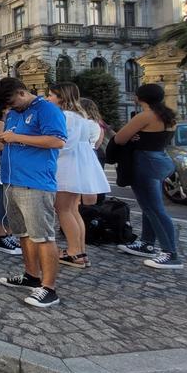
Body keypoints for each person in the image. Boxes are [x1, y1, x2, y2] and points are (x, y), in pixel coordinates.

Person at [0, 77, 67, 308]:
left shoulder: (47, 109)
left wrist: (16, 138)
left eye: (12, 102)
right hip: (12, 181)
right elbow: (14, 139)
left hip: (35, 183)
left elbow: (57, 141)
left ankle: (49, 287)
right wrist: (4, 141)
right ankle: (31, 275)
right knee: (23, 233)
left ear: (22, 92)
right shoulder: (14, 113)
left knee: (43, 236)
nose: (11, 107)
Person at [114, 84, 183, 270]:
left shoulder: (145, 116)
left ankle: (170, 253)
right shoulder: (168, 116)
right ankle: (147, 243)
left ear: (139, 97)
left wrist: (135, 135)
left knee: (154, 208)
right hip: (160, 160)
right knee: (149, 206)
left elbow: (119, 138)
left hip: (144, 162)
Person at [48, 83, 110, 269]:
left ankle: (75, 252)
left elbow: (64, 144)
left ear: (61, 97)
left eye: (51, 95)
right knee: (72, 210)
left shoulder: (66, 116)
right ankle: (79, 250)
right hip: (78, 164)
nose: (49, 98)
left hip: (68, 165)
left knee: (64, 209)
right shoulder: (81, 116)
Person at [0, 106, 22, 255]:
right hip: (3, 166)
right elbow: (0, 145)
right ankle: (0, 235)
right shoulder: (1, 123)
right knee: (2, 200)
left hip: (13, 166)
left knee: (9, 201)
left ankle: (8, 233)